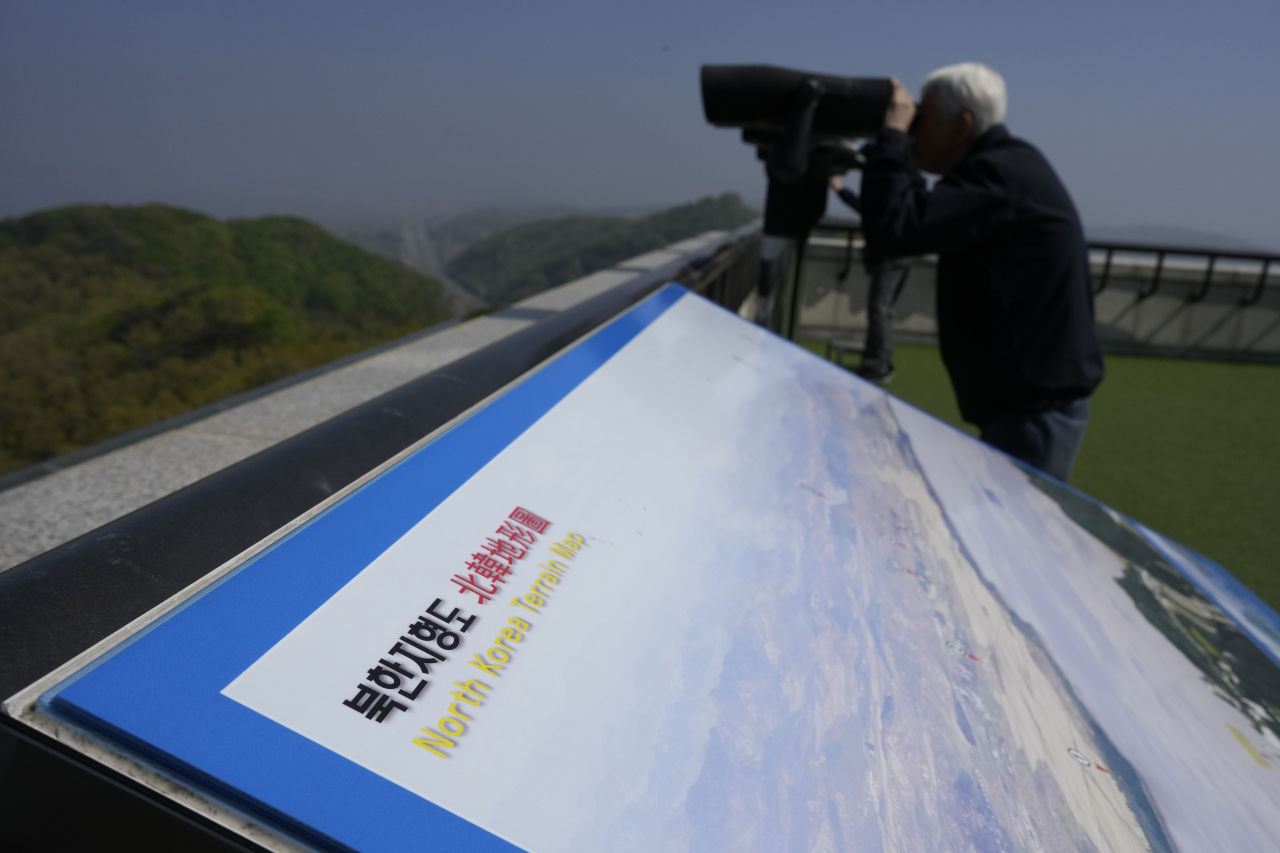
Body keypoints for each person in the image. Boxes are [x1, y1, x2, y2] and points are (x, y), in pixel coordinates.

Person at [858, 63, 1103, 481]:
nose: (915, 129)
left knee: (1016, 538)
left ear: (962, 126)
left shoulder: (1001, 174)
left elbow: (894, 227)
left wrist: (893, 136)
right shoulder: (1007, 167)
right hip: (1029, 403)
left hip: (1034, 411)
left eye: (924, 118)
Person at [829, 175, 911, 384]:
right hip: (902, 256)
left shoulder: (883, 198)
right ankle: (880, 362)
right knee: (884, 311)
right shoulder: (898, 197)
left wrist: (839, 188)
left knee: (879, 310)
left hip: (889, 259)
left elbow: (861, 205)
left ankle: (878, 364)